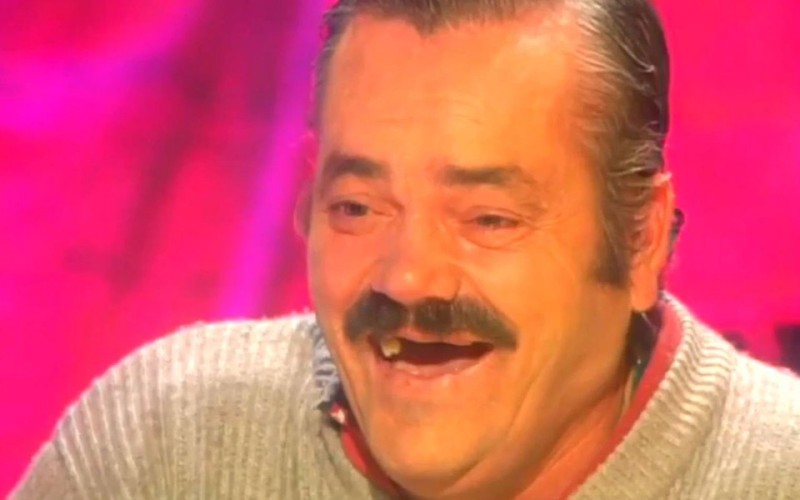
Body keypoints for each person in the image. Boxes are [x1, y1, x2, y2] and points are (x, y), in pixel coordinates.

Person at [13, 0, 800, 498]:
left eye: (488, 218)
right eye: (358, 207)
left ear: (640, 242)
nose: (409, 276)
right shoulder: (166, 445)